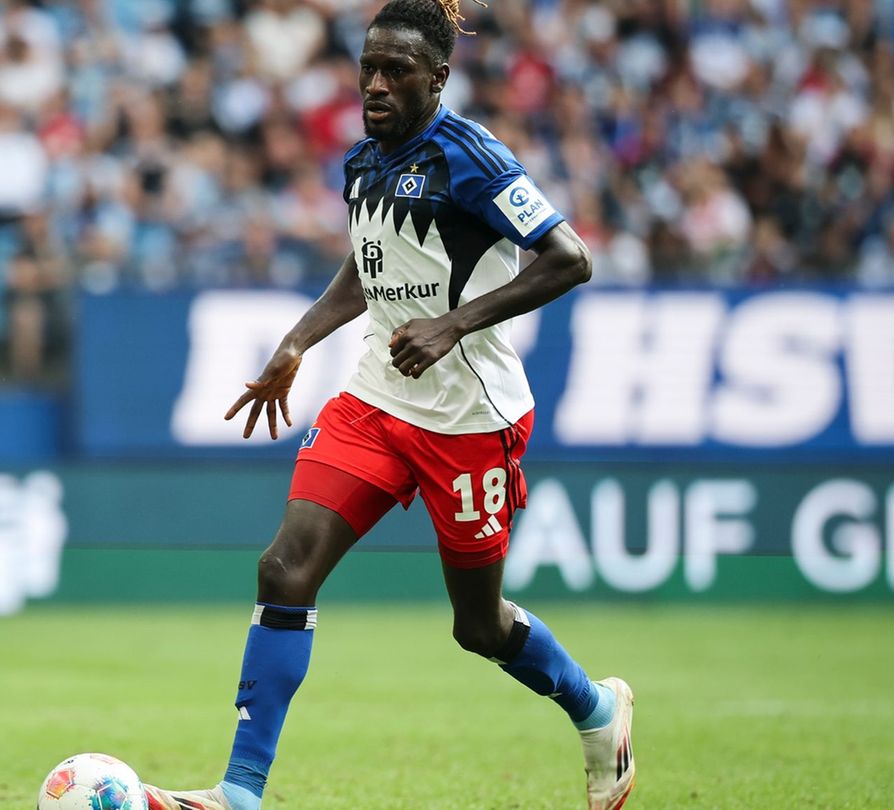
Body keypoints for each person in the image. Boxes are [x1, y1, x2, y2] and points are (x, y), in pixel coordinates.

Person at [142, 2, 635, 809]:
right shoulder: (365, 160)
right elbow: (368, 264)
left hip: (470, 420)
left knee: (478, 628)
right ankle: (240, 792)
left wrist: (452, 324)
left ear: (438, 78)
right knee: (284, 569)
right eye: (368, 67)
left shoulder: (472, 156)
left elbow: (569, 258)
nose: (375, 84)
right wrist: (298, 340)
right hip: (375, 398)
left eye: (395, 71)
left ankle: (597, 710)